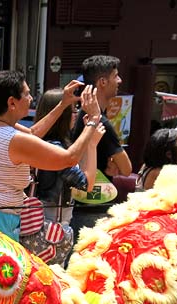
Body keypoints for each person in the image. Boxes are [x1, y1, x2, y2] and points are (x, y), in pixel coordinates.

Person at [0, 70, 103, 241]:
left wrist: (63, 103)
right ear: (12, 102)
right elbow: (69, 158)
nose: (31, 99)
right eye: (27, 94)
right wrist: (93, 120)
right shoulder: (13, 139)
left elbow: (32, 133)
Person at [23, 87, 101, 265]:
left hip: (29, 226)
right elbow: (87, 184)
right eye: (73, 111)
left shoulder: (34, 143)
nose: (76, 115)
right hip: (51, 232)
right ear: (62, 116)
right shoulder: (56, 149)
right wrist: (92, 144)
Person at [69, 55, 133, 233]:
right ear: (102, 82)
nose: (120, 81)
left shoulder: (82, 116)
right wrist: (115, 162)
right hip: (93, 211)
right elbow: (127, 168)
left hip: (79, 207)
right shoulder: (99, 122)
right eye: (116, 76)